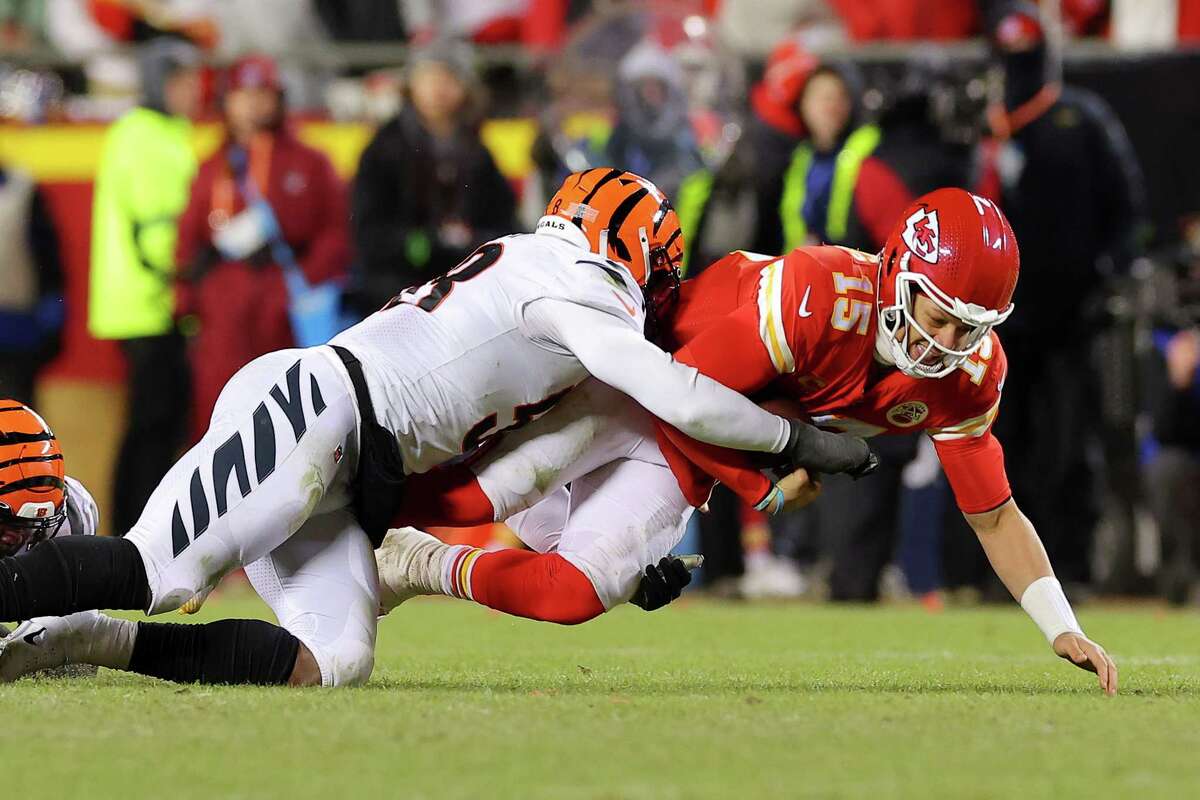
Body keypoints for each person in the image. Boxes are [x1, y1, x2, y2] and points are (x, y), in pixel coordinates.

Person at [0, 169, 867, 688]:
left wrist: (622, 567)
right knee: (158, 569)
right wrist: (794, 441)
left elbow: (532, 472)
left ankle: (84, 638)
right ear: (636, 249)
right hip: (320, 410)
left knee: (333, 662)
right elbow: (678, 395)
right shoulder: (580, 284)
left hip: (347, 466)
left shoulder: (543, 285)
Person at [377, 189, 1119, 695]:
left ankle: (416, 565)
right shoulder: (821, 297)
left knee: (571, 593)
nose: (950, 343)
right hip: (636, 382)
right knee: (462, 495)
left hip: (697, 447)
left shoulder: (969, 374)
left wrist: (1061, 627)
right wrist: (761, 484)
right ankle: (304, 506)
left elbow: (992, 512)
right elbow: (677, 395)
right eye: (942, 313)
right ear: (901, 274)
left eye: (974, 327)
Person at [977, 2, 1148, 589]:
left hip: (1073, 314)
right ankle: (1000, 573)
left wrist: (1107, 275)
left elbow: (1127, 211)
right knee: (998, 443)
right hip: (989, 320)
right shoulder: (981, 124)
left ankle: (1071, 564)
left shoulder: (1082, 118)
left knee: (1071, 443)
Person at [175, 54, 351, 438]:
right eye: (243, 93)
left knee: (291, 421)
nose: (253, 103)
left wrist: (301, 284)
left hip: (286, 306)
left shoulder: (310, 162)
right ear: (227, 101)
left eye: (263, 92)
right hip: (224, 306)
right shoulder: (212, 166)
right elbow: (188, 238)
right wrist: (188, 301)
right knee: (218, 419)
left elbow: (336, 233)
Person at [89, 38, 201, 537]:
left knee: (152, 426)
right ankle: (138, 538)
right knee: (154, 428)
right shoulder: (147, 137)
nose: (194, 91)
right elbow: (158, 229)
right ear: (162, 84)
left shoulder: (148, 133)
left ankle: (132, 535)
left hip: (140, 304)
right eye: (183, 82)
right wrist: (187, 279)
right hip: (150, 305)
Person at [350, 39, 516, 315]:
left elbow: (504, 223)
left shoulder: (477, 151)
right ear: (411, 85)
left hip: (465, 295)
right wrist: (426, 244)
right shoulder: (384, 150)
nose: (438, 89)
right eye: (428, 77)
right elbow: (369, 236)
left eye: (449, 78)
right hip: (397, 298)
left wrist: (470, 241)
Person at [752, 60, 912, 257]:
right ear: (802, 105)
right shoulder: (797, 162)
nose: (829, 106)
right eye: (820, 97)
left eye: (838, 97)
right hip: (799, 279)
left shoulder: (870, 164)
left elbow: (903, 248)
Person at [0, 400, 103, 679]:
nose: (14, 536)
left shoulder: (75, 511)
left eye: (29, 526)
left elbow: (76, 634)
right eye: (5, 522)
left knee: (70, 656)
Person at [0, 165, 65, 405]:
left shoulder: (23, 189)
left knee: (15, 414)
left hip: (16, 327)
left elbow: (48, 259)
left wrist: (53, 314)